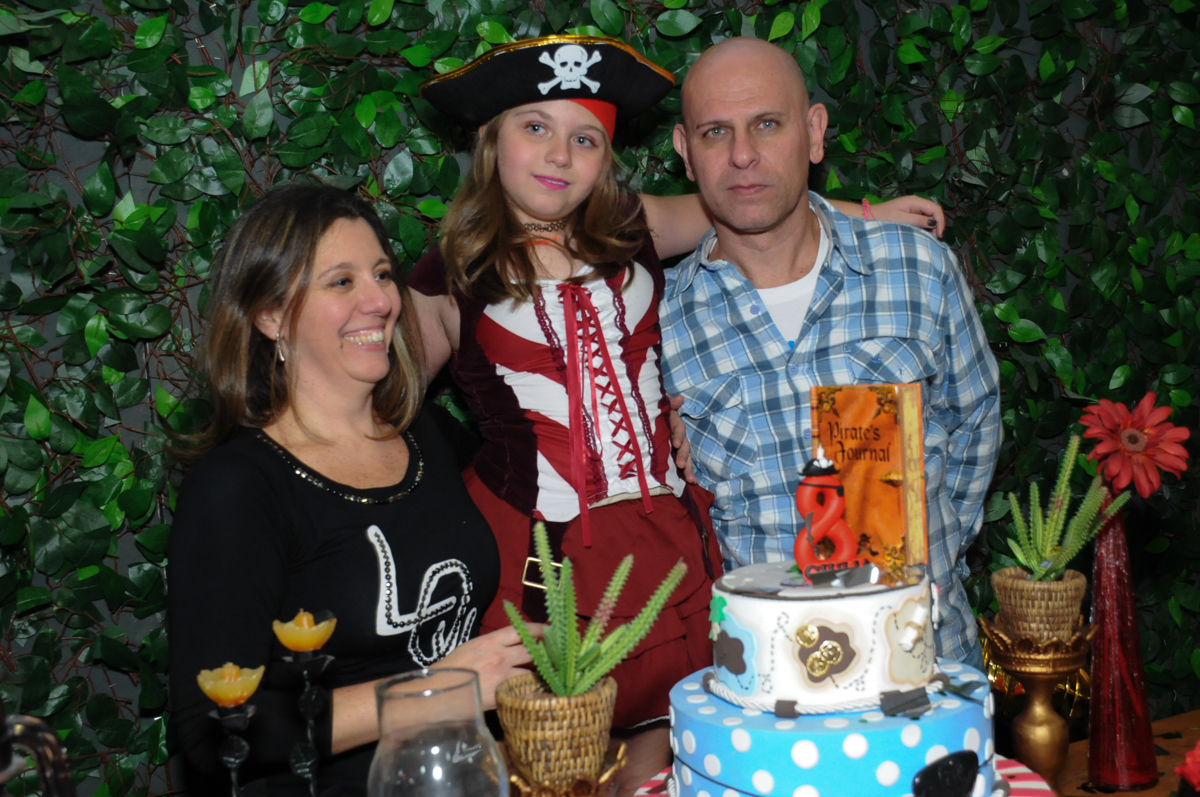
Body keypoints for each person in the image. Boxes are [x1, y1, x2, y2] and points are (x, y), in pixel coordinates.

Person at [409, 35, 948, 790]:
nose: (559, 155)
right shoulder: (451, 270)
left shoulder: (629, 227)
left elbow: (745, 202)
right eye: (535, 127)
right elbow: (375, 388)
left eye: (585, 138)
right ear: (491, 140)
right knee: (557, 762)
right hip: (539, 559)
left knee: (670, 752)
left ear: (608, 155)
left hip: (664, 543)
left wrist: (865, 215)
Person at [167, 185, 537, 796]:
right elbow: (212, 729)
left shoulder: (432, 435)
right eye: (341, 282)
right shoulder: (238, 488)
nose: (381, 301)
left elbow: (543, 485)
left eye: (383, 274)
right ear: (271, 316)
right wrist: (432, 692)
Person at [661, 37, 1001, 669]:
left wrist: (933, 561)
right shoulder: (660, 327)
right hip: (763, 694)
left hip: (923, 670)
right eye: (715, 133)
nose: (742, 155)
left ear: (813, 133)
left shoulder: (916, 269)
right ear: (687, 152)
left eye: (767, 124)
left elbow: (974, 429)